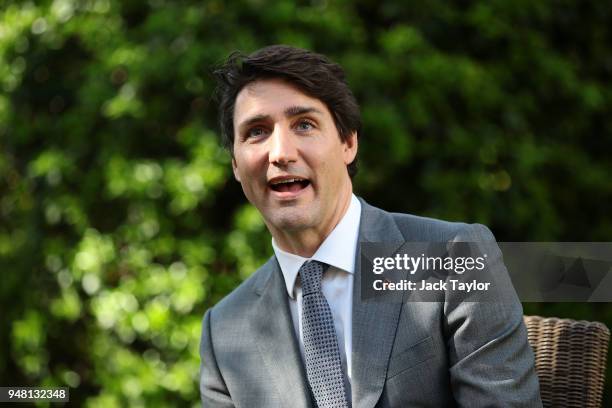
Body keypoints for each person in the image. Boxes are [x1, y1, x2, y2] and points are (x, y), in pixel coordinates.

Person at [200, 45, 542, 407]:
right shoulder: (223, 333)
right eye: (256, 131)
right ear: (236, 165)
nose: (281, 152)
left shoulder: (456, 255)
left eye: (304, 124)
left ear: (348, 143)